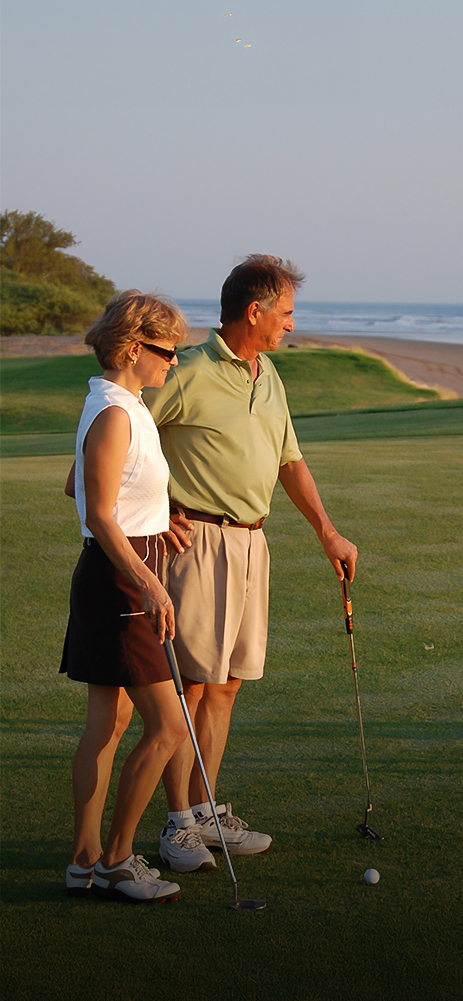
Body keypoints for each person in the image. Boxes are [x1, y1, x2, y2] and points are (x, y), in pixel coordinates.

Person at [142, 255, 357, 872]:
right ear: (254, 311)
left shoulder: (269, 376)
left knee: (228, 686)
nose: (292, 324)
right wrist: (157, 514)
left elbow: (289, 460)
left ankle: (205, 811)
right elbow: (122, 446)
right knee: (190, 688)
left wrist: (328, 532)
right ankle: (177, 823)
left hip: (252, 544)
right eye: (286, 313)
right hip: (196, 544)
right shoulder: (187, 373)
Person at [61, 290, 192, 902]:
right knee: (167, 727)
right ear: (135, 348)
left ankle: (84, 861)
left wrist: (154, 513)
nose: (175, 363)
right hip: (121, 578)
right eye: (169, 352)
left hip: (113, 568)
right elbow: (100, 512)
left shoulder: (113, 404)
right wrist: (149, 579)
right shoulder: (117, 412)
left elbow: (80, 487)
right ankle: (116, 861)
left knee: (108, 722)